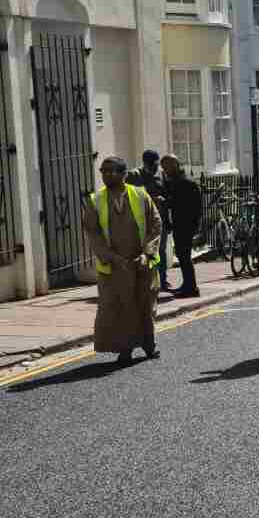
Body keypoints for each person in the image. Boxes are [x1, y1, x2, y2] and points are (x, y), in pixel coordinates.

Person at [82, 156, 164, 365]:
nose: (107, 175)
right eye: (104, 171)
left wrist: (147, 253)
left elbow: (155, 224)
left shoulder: (140, 195)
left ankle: (149, 345)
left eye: (112, 171)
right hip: (113, 265)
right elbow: (93, 232)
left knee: (145, 304)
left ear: (123, 173)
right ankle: (124, 349)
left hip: (142, 262)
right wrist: (109, 256)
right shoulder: (96, 200)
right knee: (118, 307)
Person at [127, 149, 171, 291]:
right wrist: (152, 199)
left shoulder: (161, 175)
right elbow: (127, 195)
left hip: (160, 219)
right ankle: (143, 281)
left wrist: (164, 202)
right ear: (144, 163)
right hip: (141, 220)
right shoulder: (134, 176)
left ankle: (162, 280)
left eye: (156, 165)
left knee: (161, 250)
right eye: (151, 165)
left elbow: (168, 194)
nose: (154, 168)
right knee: (142, 251)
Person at [160, 154, 202, 298]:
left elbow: (186, 204)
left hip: (186, 224)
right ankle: (188, 285)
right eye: (163, 167)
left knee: (184, 255)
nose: (165, 169)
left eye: (167, 166)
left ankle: (191, 287)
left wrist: (166, 202)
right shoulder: (174, 181)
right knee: (182, 255)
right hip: (180, 223)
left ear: (175, 165)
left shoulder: (185, 182)